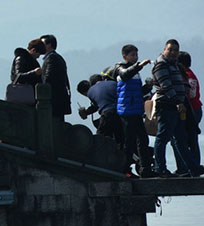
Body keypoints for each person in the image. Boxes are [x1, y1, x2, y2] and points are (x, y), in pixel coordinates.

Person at [151, 39, 194, 177]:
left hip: (176, 107)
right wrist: (177, 102)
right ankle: (160, 168)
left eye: (175, 50)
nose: (173, 52)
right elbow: (166, 85)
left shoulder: (174, 64)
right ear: (164, 50)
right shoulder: (161, 65)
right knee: (162, 137)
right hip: (167, 105)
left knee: (181, 138)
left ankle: (191, 168)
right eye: (170, 49)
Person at [115, 44, 155, 177]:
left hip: (136, 110)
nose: (135, 57)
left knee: (143, 140)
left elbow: (139, 92)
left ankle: (145, 169)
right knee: (129, 141)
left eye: (136, 55)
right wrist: (140, 65)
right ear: (125, 56)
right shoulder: (120, 68)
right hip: (127, 110)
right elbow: (125, 75)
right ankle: (125, 169)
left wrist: (148, 87)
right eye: (132, 55)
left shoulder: (136, 73)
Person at [77, 76, 123, 147]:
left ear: (84, 93)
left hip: (107, 115)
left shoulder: (91, 92)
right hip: (122, 114)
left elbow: (96, 106)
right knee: (121, 140)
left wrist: (85, 112)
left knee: (100, 139)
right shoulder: (113, 83)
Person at [178, 51, 203, 175]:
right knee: (192, 139)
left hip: (192, 110)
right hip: (195, 109)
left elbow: (191, 95)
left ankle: (194, 166)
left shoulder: (188, 76)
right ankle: (193, 166)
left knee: (191, 139)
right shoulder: (189, 74)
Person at [40, 34, 71, 123]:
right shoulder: (56, 57)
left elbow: (48, 78)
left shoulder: (51, 58)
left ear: (49, 45)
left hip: (54, 99)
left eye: (42, 44)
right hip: (58, 99)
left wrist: (41, 88)